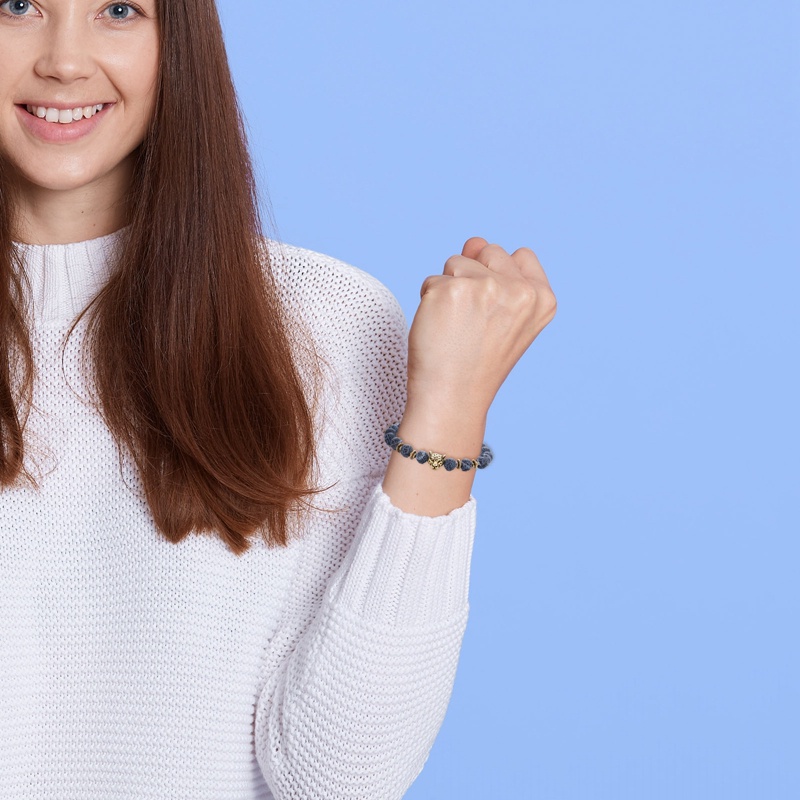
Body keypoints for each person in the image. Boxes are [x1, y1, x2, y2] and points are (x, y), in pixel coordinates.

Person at [0, 0, 556, 798]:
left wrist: (451, 409)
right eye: (19, 5)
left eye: (119, 10)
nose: (64, 59)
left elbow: (340, 780)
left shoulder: (328, 327)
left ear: (178, 43)